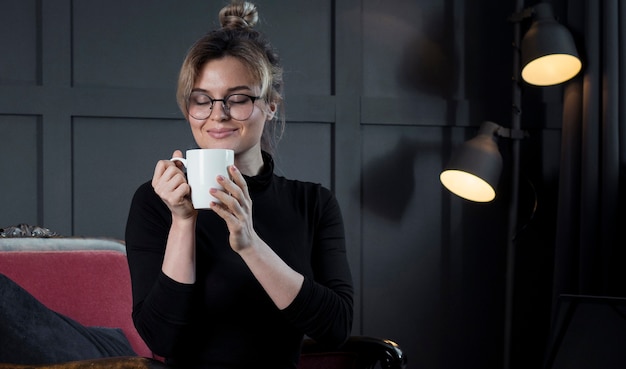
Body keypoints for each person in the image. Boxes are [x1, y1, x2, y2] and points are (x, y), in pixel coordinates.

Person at [124, 1, 354, 368]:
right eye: (203, 100)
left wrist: (250, 245)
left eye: (238, 99)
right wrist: (183, 222)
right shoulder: (156, 202)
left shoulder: (313, 203)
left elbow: (335, 328)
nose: (218, 114)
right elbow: (162, 339)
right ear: (189, 109)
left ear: (272, 105)